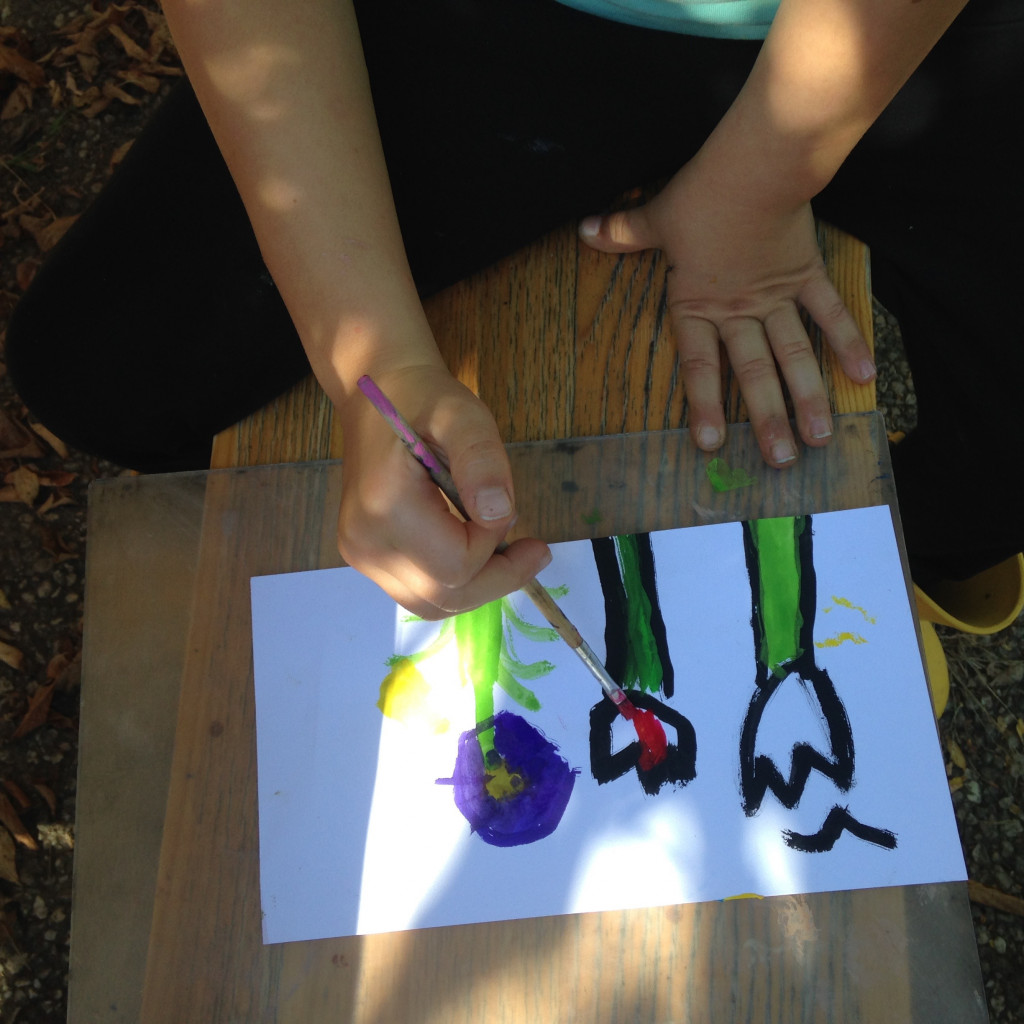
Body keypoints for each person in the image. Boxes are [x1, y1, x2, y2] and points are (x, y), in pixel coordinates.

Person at [8, 0, 1023, 619]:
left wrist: (757, 184)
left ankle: (917, 571)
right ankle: (319, 583)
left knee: (1002, 470)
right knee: (103, 371)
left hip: (904, 28)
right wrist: (374, 367)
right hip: (489, 21)